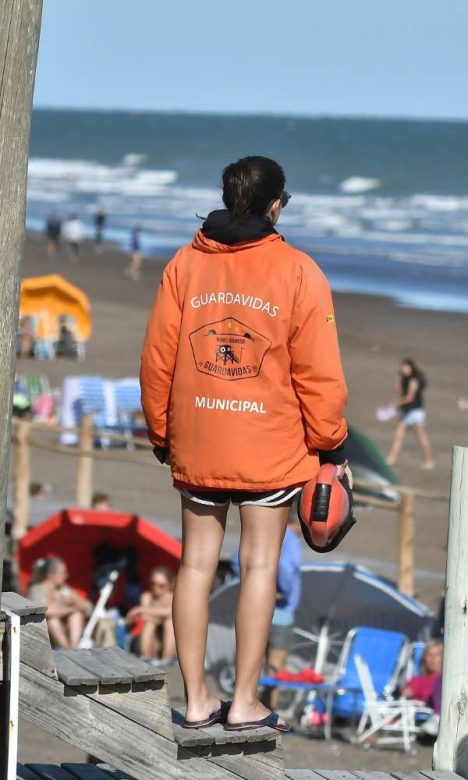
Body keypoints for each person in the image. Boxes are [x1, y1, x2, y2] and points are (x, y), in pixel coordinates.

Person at [140, 155, 349, 733]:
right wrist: (330, 442)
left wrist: (162, 431)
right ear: (277, 204)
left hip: (199, 438)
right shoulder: (299, 270)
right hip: (271, 447)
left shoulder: (186, 264)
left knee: (196, 566)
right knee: (260, 566)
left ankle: (199, 698)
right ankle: (246, 701)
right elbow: (319, 373)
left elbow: (157, 357)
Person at [231, 512, 302, 707]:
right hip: (281, 612)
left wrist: (250, 584)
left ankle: (245, 703)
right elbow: (287, 567)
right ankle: (269, 709)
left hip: (254, 607)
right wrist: (282, 590)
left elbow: (236, 560)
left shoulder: (264, 532)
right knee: (276, 665)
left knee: (253, 659)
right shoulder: (290, 538)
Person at [27, 556, 91, 649]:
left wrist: (75, 602)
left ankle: (73, 649)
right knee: (53, 620)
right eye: (62, 573)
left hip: (65, 631)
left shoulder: (63, 589)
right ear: (50, 574)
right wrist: (70, 609)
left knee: (76, 615)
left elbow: (88, 607)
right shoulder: (37, 590)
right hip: (40, 634)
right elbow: (46, 611)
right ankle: (67, 650)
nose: (66, 576)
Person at [386, 358, 434, 469]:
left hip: (415, 412)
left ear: (411, 368)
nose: (404, 370)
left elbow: (410, 398)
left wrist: (395, 403)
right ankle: (391, 459)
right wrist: (398, 378)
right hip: (406, 411)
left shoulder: (414, 380)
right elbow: (396, 388)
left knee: (420, 436)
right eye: (402, 368)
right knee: (398, 435)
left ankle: (429, 460)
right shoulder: (403, 378)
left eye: (406, 367)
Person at [126, 566, 177, 662]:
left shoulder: (173, 597)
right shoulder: (147, 596)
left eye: (161, 585)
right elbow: (145, 617)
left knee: (169, 623)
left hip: (168, 638)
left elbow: (172, 612)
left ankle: (167, 659)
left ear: (170, 585)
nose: (156, 588)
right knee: (150, 623)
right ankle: (147, 657)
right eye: (153, 583)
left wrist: (139, 609)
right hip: (151, 639)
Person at [402, 640, 444, 713]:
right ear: (424, 658)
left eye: (437, 654)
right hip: (421, 717)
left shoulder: (446, 681)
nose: (432, 659)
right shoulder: (416, 681)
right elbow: (405, 694)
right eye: (429, 655)